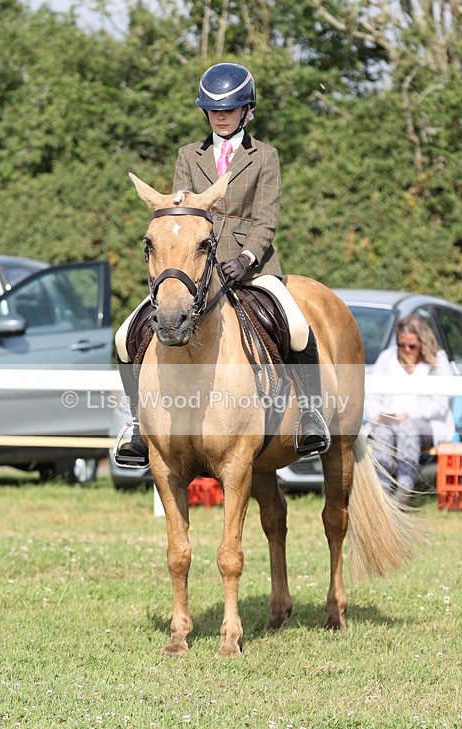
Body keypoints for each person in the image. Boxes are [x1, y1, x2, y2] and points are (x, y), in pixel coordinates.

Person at [114, 62, 330, 468]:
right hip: (197, 269)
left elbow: (266, 219)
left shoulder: (265, 156)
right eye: (214, 109)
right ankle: (138, 426)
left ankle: (309, 415)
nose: (221, 115)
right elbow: (180, 215)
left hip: (255, 266)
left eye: (230, 108)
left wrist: (246, 258)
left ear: (247, 110)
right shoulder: (187, 156)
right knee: (125, 336)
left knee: (298, 327)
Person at [365, 315, 456, 504]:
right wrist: (379, 414)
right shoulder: (387, 358)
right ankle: (382, 493)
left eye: (412, 346)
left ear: (422, 343)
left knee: (407, 427)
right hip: (389, 422)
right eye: (401, 344)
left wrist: (409, 414)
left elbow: (440, 404)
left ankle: (403, 491)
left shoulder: (437, 361)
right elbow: (372, 396)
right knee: (381, 431)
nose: (406, 349)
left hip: (426, 424)